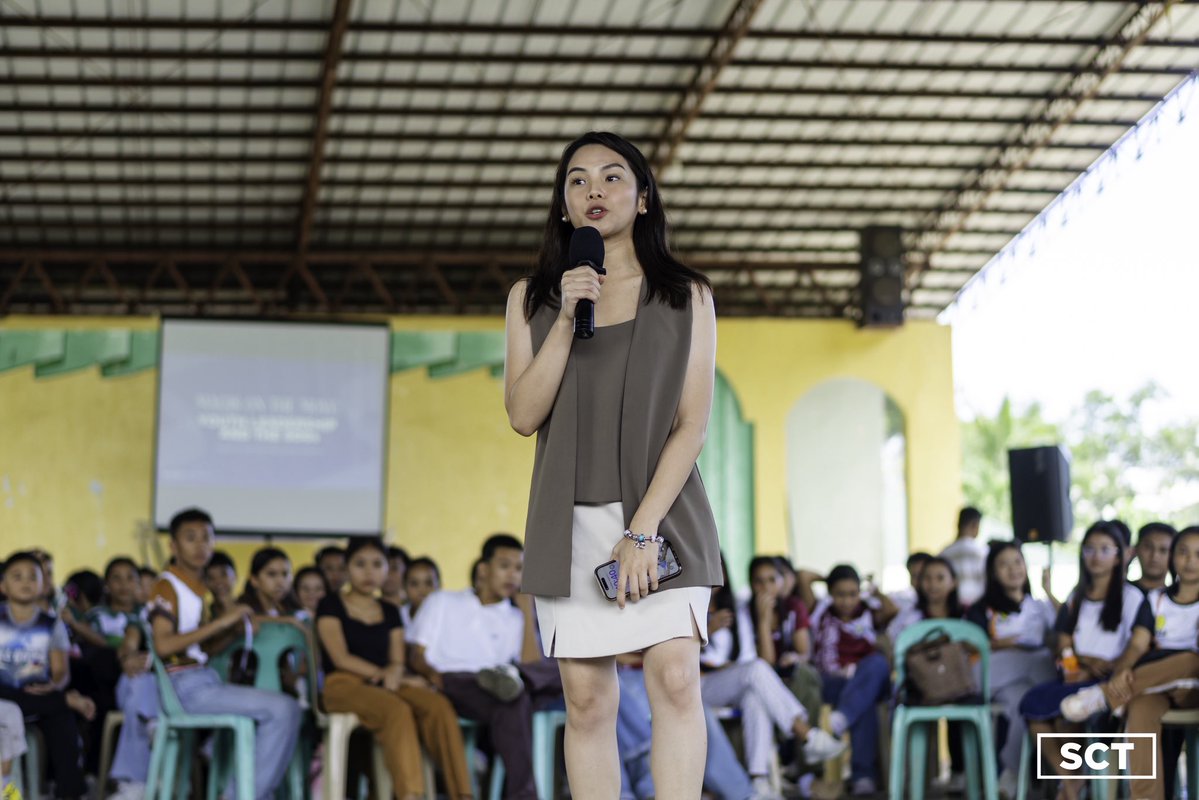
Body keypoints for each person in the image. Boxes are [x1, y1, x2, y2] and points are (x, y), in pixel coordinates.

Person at [504, 130, 724, 800]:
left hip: (662, 519)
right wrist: (567, 317)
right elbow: (523, 414)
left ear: (644, 197)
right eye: (577, 179)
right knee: (588, 703)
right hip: (567, 524)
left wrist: (641, 531)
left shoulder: (686, 295)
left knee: (676, 679)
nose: (593, 190)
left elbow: (691, 424)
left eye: (611, 176)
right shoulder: (532, 298)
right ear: (563, 205)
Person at [147, 508, 301, 800]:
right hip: (184, 687)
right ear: (173, 546)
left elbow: (200, 649)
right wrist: (221, 622)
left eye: (207, 538)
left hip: (201, 679)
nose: (200, 545)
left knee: (286, 709)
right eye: (190, 538)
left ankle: (244, 793)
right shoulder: (167, 585)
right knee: (283, 710)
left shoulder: (196, 588)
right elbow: (164, 645)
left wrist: (233, 631)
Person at [408, 534, 562, 799]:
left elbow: (530, 663)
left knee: (519, 693)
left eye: (519, 568)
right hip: (452, 681)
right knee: (522, 693)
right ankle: (524, 795)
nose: (512, 575)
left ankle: (517, 680)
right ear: (483, 569)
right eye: (505, 566)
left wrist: (526, 610)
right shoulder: (443, 601)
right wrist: (432, 676)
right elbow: (416, 654)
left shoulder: (514, 617)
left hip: (497, 689)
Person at [317, 537, 470, 800]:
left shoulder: (390, 611)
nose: (369, 572)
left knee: (438, 706)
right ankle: (410, 795)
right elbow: (341, 658)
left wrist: (397, 675)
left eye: (377, 564)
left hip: (387, 683)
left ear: (388, 569)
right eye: (360, 564)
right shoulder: (330, 604)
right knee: (396, 710)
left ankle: (463, 794)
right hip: (343, 684)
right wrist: (389, 675)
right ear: (347, 568)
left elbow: (397, 660)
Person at [1057, 526, 1199, 800]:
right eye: (1183, 552)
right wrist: (1121, 671)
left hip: (1193, 687)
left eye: (1198, 554)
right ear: (1174, 557)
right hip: (1155, 686)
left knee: (1191, 660)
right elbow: (1136, 645)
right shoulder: (1156, 600)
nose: (1190, 560)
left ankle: (1104, 696)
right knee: (1140, 708)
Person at [1018, 521, 1152, 800]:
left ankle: (1072, 787)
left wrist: (1108, 669)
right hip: (1075, 677)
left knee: (1067, 716)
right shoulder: (1076, 597)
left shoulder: (1132, 597)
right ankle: (1071, 780)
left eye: (1105, 549)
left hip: (1109, 682)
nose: (1096, 556)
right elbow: (1064, 644)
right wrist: (1082, 664)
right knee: (1033, 705)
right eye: (1090, 549)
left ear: (1119, 556)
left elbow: (1137, 645)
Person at [702, 566, 844, 800]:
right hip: (697, 683)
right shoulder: (687, 605)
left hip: (728, 680)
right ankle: (807, 736)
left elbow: (751, 660)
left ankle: (759, 781)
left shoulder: (735, 610)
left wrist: (763, 621)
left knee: (754, 695)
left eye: (717, 568)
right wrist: (708, 630)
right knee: (756, 670)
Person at [964, 541, 1057, 798]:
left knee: (1023, 703)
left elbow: (1066, 628)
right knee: (1041, 660)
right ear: (993, 573)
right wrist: (1008, 643)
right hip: (987, 673)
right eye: (1003, 564)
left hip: (1021, 681)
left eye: (1017, 562)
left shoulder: (1038, 606)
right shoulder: (982, 608)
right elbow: (970, 644)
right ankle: (1061, 696)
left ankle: (1011, 774)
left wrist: (1049, 591)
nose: (1013, 569)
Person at [0, 551, 90, 800]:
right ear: (3, 586)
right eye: (17, 576)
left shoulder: (52, 624)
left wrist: (54, 686)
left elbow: (61, 672)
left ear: (44, 585)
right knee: (54, 703)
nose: (26, 582)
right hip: (2, 697)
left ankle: (70, 792)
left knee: (62, 718)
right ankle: (64, 701)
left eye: (33, 577)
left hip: (37, 697)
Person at [800, 565, 893, 796]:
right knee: (864, 701)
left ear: (860, 593)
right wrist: (829, 577)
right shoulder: (819, 610)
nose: (847, 601)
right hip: (831, 683)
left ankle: (843, 717)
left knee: (877, 662)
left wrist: (874, 591)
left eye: (853, 593)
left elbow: (893, 609)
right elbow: (803, 576)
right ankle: (863, 776)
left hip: (864, 679)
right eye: (840, 594)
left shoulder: (870, 612)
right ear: (830, 593)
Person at [939, 507, 988, 606]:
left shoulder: (944, 553)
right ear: (975, 525)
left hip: (951, 607)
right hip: (980, 606)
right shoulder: (984, 551)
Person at [1131, 522, 1176, 594]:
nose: (1154, 556)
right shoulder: (1118, 592)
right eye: (1148, 547)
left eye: (1163, 550)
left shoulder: (1180, 598)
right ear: (1136, 549)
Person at [401, 557, 440, 627]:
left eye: (428, 583)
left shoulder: (446, 616)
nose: (422, 590)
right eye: (414, 583)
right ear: (404, 587)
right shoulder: (398, 616)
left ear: (439, 585)